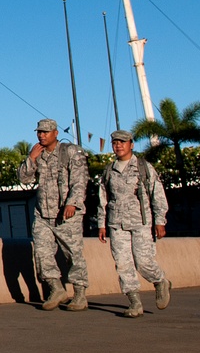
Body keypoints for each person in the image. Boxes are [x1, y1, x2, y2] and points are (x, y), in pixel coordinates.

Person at [97, 130, 171, 318]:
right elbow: (103, 199)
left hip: (141, 222)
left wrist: (160, 220)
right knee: (122, 264)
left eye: (123, 142)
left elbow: (157, 194)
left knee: (143, 262)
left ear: (131, 144)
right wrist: (101, 224)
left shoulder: (143, 167)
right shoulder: (109, 170)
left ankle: (160, 281)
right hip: (116, 223)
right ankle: (134, 302)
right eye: (115, 142)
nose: (118, 145)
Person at [18, 118, 90, 312]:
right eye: (39, 132)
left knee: (73, 254)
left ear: (55, 133)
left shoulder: (70, 152)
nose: (41, 135)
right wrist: (31, 159)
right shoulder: (38, 154)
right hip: (43, 213)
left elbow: (80, 180)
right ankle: (56, 289)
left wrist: (72, 203)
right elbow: (24, 179)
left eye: (45, 132)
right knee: (42, 253)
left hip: (66, 213)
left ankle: (80, 294)